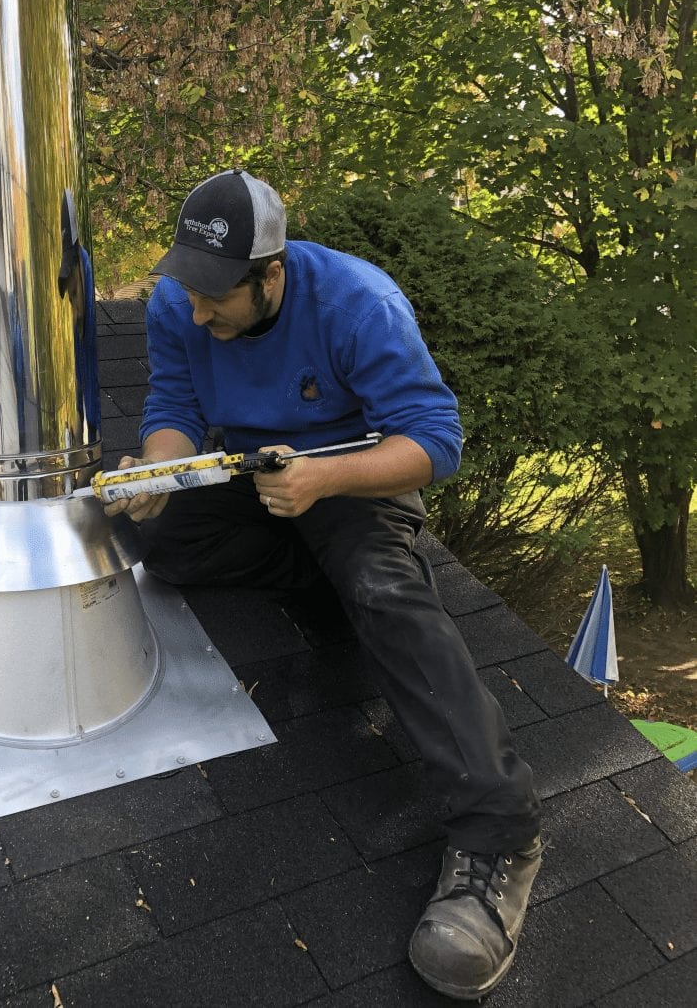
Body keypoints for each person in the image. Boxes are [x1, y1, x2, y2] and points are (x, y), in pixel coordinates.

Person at [105, 169, 542, 1001]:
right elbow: (174, 404)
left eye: (216, 300)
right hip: (254, 469)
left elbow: (437, 443)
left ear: (270, 275)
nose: (196, 312)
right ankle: (320, 571)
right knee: (161, 543)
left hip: (353, 473)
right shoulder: (180, 300)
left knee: (382, 589)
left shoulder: (358, 304)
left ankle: (499, 834)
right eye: (188, 293)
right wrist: (162, 470)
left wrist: (325, 482)